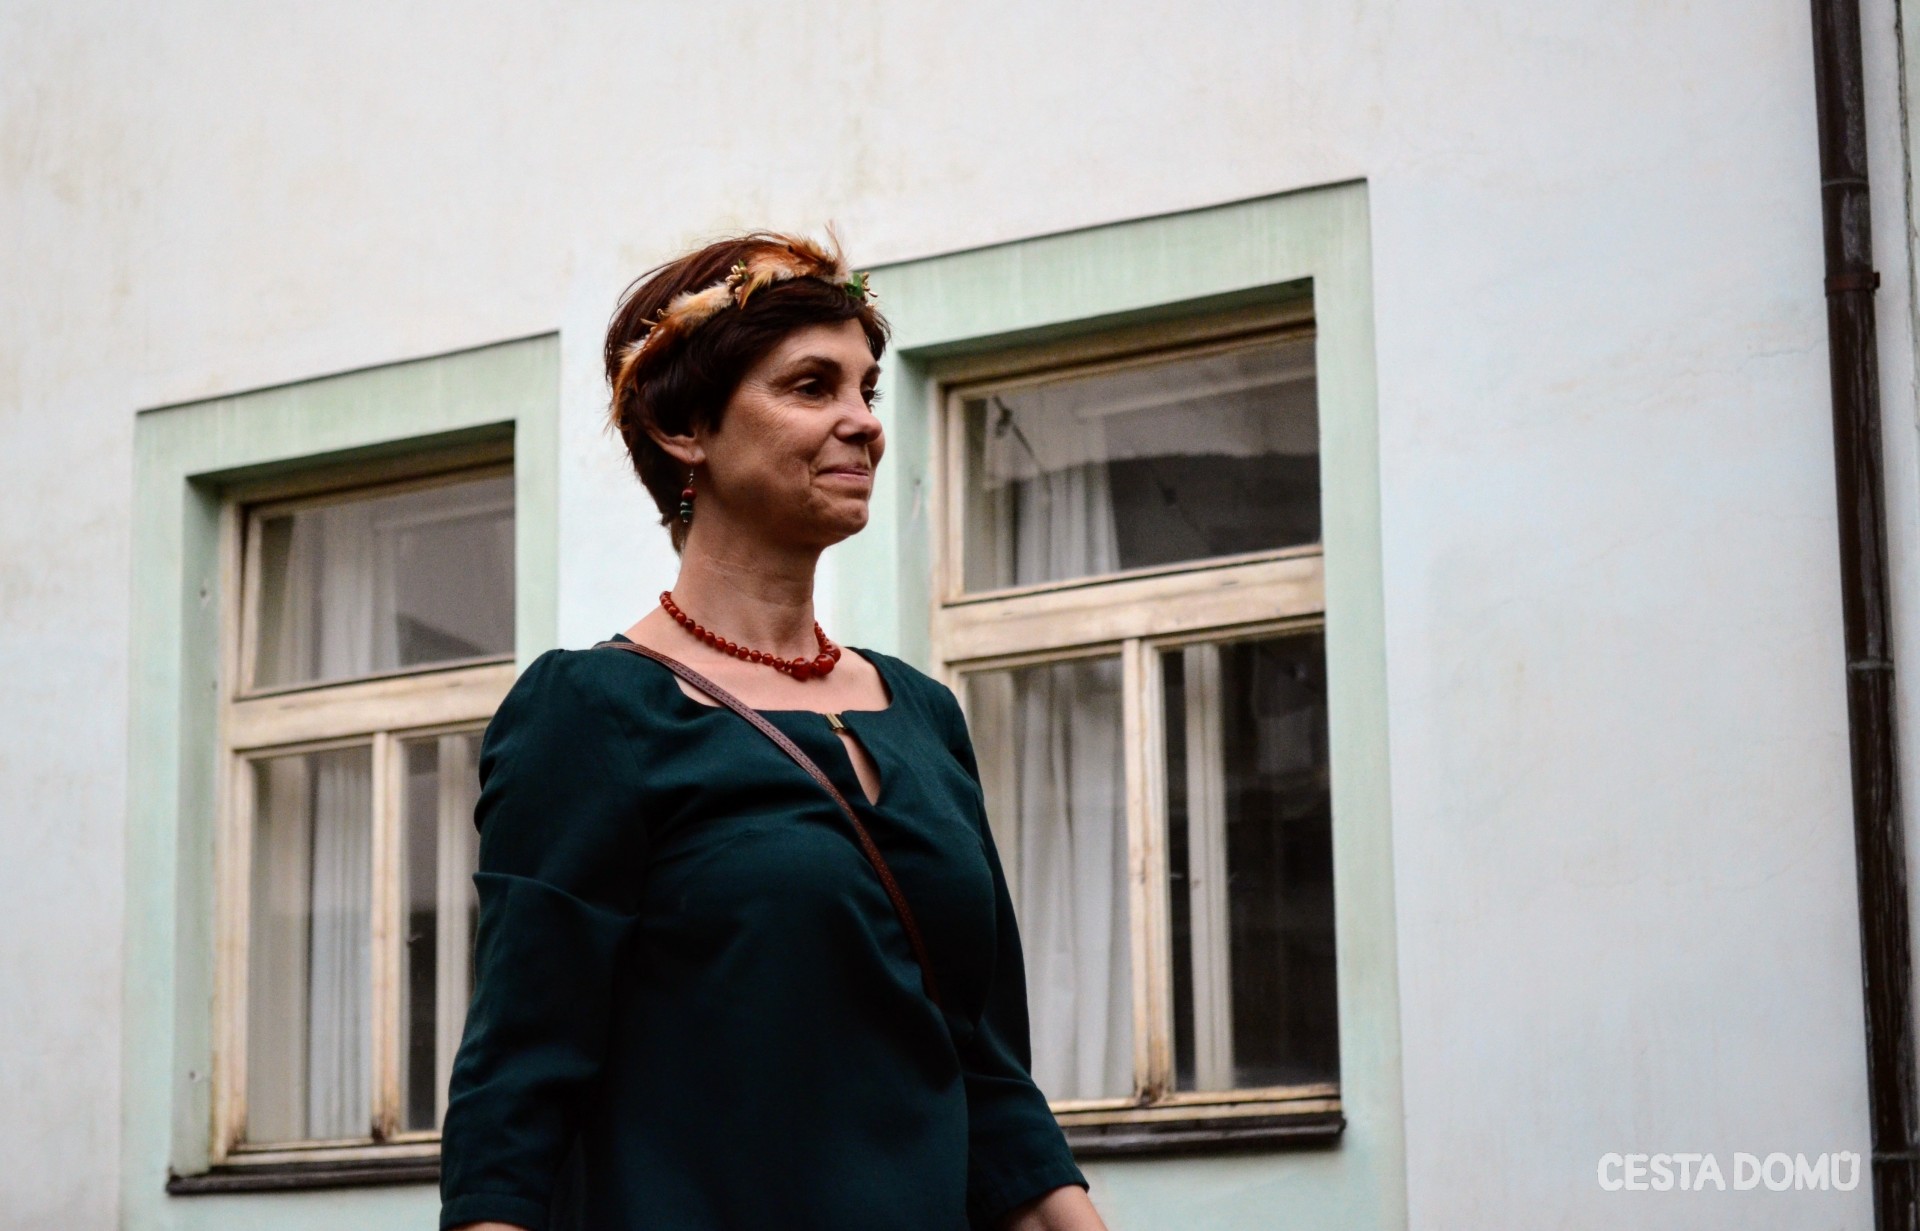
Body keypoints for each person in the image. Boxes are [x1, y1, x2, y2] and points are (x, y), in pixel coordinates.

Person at [438, 232, 1107, 1231]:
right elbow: (514, 1098)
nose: (863, 421)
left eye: (866, 388)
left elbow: (992, 1083)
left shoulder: (922, 715)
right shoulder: (591, 712)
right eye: (810, 385)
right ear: (683, 427)